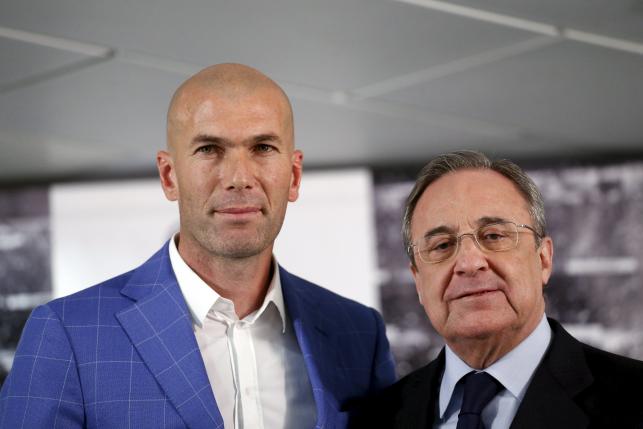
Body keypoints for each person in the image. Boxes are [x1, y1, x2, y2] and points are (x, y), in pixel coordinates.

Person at [0, 63, 395, 428]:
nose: (239, 177)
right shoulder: (69, 332)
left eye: (262, 148)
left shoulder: (358, 333)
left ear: (293, 176)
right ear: (169, 176)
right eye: (209, 149)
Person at [351, 150, 643, 428]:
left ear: (543, 259)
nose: (468, 262)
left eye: (493, 236)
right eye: (442, 245)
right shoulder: (375, 419)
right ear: (418, 281)